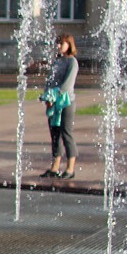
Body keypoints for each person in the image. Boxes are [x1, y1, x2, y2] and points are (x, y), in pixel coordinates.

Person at [40, 34, 79, 180]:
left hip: (66, 102)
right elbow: (50, 81)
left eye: (61, 43)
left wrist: (55, 97)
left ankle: (70, 168)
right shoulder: (57, 61)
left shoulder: (72, 62)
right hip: (53, 103)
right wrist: (46, 97)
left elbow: (67, 85)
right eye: (58, 43)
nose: (58, 46)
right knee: (54, 134)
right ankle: (55, 167)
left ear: (69, 45)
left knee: (66, 133)